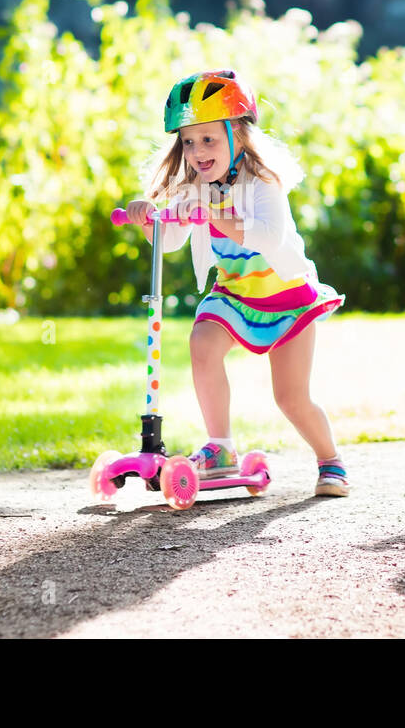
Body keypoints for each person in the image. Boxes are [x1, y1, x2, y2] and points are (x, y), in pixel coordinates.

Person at [124, 69, 349, 496]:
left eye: (209, 139)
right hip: (233, 294)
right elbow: (169, 240)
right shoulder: (192, 186)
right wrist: (149, 218)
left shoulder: (263, 183)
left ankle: (330, 460)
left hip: (286, 295)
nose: (197, 151)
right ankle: (221, 447)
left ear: (239, 136)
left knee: (291, 397)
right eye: (189, 141)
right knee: (201, 343)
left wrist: (216, 215)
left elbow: (269, 237)